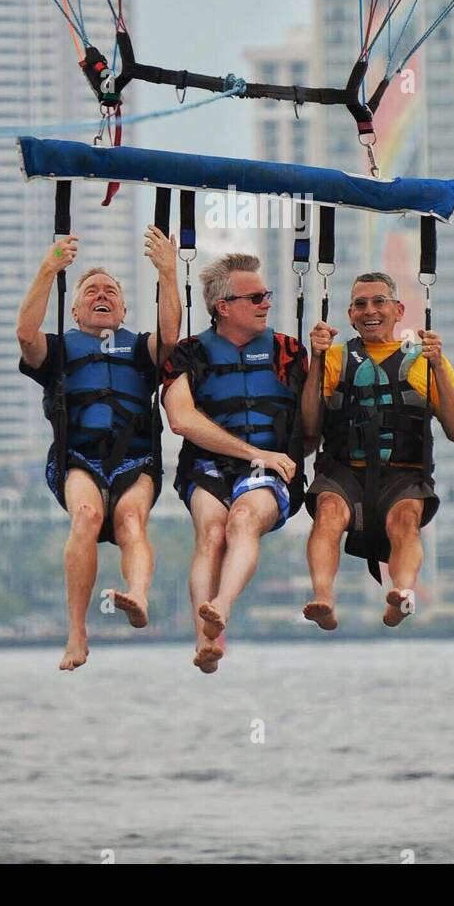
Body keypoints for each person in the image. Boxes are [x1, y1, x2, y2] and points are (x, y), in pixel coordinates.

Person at [17, 227, 180, 670]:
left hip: (136, 460)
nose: (102, 294)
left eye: (111, 291)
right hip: (79, 461)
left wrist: (168, 271)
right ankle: (76, 631)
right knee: (87, 516)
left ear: (124, 308)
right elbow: (25, 333)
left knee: (131, 520)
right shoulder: (58, 350)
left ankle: (138, 596)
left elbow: (171, 335)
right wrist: (49, 269)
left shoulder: (141, 347)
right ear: (75, 308)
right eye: (92, 291)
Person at [161, 254, 307, 674]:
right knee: (210, 532)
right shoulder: (189, 354)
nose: (266, 303)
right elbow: (180, 419)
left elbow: (311, 420)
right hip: (209, 466)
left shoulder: (288, 352)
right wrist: (255, 454)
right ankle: (203, 641)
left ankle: (220, 609)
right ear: (223, 306)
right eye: (256, 297)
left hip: (271, 472)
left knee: (242, 519)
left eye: (267, 295)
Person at [301, 271, 454, 630]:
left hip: (403, 472)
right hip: (343, 470)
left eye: (379, 302)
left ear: (398, 310)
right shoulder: (333, 358)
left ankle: (403, 594)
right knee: (327, 513)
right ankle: (324, 599)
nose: (370, 310)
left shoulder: (424, 361)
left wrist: (438, 364)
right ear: (350, 315)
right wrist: (315, 360)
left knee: (406, 520)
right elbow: (311, 430)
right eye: (360, 304)